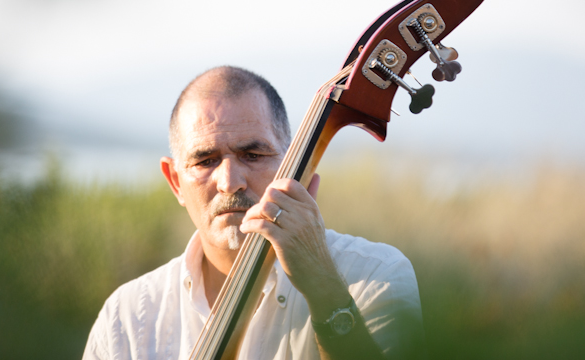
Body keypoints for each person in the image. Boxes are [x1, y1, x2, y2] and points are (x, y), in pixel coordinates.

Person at [83, 66, 423, 360]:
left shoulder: (378, 277)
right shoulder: (127, 317)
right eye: (205, 161)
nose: (229, 183)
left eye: (253, 155)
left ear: (298, 170)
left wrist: (323, 288)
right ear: (175, 182)